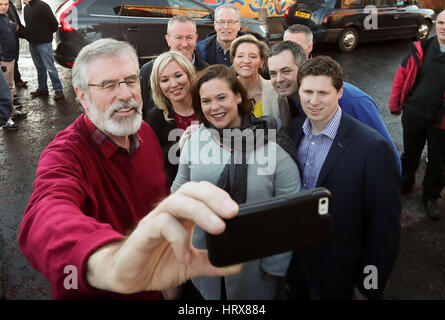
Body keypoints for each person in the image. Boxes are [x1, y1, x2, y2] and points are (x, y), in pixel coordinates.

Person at [18, 38, 242, 300]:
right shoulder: (67, 155)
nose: (125, 94)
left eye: (131, 80)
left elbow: (158, 202)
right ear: (82, 96)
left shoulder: (143, 132)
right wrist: (111, 262)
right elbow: (45, 216)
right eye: (108, 84)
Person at [171, 64, 301, 299]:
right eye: (206, 101)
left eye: (222, 97)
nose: (214, 107)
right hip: (204, 258)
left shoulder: (273, 145)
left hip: (255, 266)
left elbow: (289, 214)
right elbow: (178, 194)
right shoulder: (195, 140)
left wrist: (276, 265)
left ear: (239, 96)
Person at [288, 56, 400, 300]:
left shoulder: (372, 147)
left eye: (323, 93)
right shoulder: (293, 130)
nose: (313, 101)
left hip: (340, 271)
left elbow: (384, 228)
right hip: (297, 265)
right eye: (307, 91)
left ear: (340, 92)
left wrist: (369, 287)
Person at [267, 40, 402, 172]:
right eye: (273, 73)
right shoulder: (286, 100)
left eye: (286, 71)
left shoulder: (353, 100)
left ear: (303, 68)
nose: (279, 79)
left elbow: (386, 152)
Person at [388, 9, 445, 220]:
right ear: (435, 25)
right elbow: (401, 77)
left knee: (437, 162)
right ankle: (405, 182)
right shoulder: (420, 48)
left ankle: (430, 196)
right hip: (414, 114)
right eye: (440, 22)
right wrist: (395, 104)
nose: (443, 27)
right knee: (410, 153)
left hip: (441, 122)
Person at [147, 51, 199, 186]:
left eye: (178, 75)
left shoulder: (208, 105)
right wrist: (179, 146)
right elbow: (153, 161)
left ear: (189, 75)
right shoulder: (155, 117)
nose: (173, 84)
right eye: (165, 80)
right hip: (176, 191)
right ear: (158, 86)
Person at [140, 15, 208, 116]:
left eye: (189, 37)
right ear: (168, 39)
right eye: (178, 38)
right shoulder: (148, 70)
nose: (184, 44)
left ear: (196, 39)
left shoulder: (207, 72)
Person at [230, 34, 290, 127]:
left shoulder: (276, 91)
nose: (246, 61)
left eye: (253, 56)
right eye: (240, 56)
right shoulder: (226, 90)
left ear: (262, 62)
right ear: (233, 60)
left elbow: (285, 130)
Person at [22, 0, 64, 99]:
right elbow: (29, 26)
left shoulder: (42, 6)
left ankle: (58, 90)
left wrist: (46, 34)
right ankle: (42, 88)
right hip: (32, 43)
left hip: (44, 43)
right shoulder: (26, 8)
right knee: (39, 67)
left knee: (49, 67)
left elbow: (54, 24)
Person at [0, 0, 27, 130]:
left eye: (6, 4)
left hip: (10, 58)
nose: (4, 7)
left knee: (10, 87)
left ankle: (12, 112)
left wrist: (14, 25)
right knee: (3, 91)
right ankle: (6, 120)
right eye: (0, 4)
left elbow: (13, 26)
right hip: (2, 60)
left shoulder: (4, 16)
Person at [8, 0, 27, 88]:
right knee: (10, 60)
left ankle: (17, 80)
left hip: (15, 36)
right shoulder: (3, 5)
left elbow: (16, 18)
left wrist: (22, 31)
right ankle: (12, 84)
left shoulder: (10, 3)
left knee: (16, 58)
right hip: (8, 37)